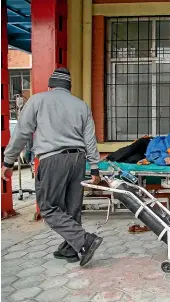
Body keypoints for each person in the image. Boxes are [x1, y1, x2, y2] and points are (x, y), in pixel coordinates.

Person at [1, 67, 103, 267]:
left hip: (53, 159)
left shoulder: (38, 100)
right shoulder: (81, 105)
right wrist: (95, 168)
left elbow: (22, 132)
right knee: (72, 207)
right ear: (69, 88)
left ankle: (84, 241)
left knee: (48, 207)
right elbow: (90, 139)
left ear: (50, 86)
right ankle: (71, 250)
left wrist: (7, 161)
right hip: (78, 160)